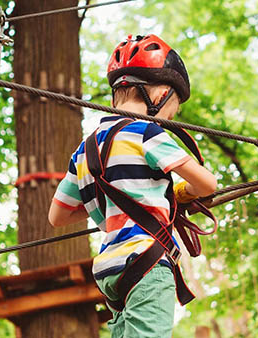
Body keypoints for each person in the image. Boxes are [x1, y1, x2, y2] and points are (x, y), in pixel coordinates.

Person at [48, 34, 217, 338]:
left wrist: (114, 197)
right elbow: (208, 184)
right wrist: (183, 193)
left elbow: (57, 216)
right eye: (173, 108)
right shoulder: (146, 132)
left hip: (109, 271)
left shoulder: (84, 150)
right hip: (146, 261)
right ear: (162, 94)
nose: (170, 117)